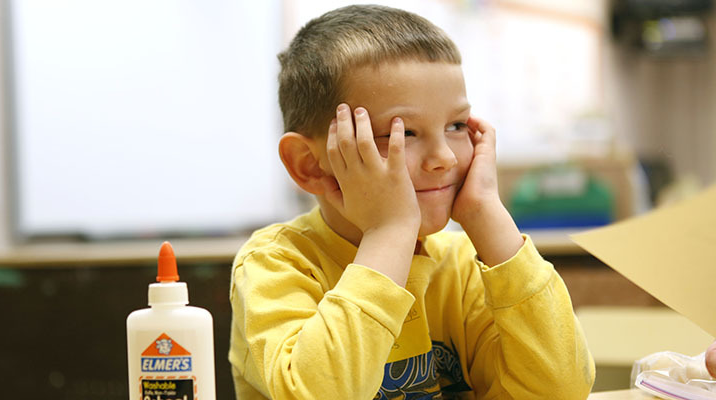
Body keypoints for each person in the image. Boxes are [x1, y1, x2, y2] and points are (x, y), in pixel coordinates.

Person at [228, 4, 595, 399]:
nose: (445, 158)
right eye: (401, 134)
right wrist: (389, 232)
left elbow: (560, 389)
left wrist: (487, 214)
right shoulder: (276, 263)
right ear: (310, 166)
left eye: (456, 126)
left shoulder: (463, 265)